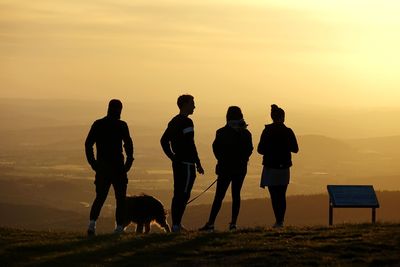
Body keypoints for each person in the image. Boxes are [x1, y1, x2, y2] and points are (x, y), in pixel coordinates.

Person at [199, 106, 253, 232]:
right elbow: (249, 150)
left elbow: (216, 149)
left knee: (219, 196)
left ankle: (211, 223)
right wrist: (242, 160)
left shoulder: (221, 132)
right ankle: (233, 224)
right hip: (240, 169)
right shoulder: (246, 133)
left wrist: (223, 160)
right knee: (236, 194)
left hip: (225, 168)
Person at [85, 99, 134, 236]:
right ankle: (119, 228)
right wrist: (128, 162)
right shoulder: (122, 125)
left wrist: (93, 163)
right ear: (120, 110)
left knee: (100, 197)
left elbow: (88, 144)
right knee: (120, 199)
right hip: (118, 167)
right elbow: (128, 145)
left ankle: (92, 224)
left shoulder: (98, 124)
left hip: (103, 167)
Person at [160, 94, 204, 233]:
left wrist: (172, 157)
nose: (194, 106)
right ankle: (176, 225)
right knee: (184, 194)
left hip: (179, 163)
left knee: (178, 193)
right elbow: (191, 143)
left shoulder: (174, 121)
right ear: (185, 105)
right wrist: (197, 162)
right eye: (192, 103)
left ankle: (176, 224)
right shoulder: (187, 122)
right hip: (186, 164)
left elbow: (164, 140)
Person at [257, 104, 298, 228]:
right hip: (284, 167)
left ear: (272, 117)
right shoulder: (288, 131)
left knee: (274, 196)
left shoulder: (267, 131)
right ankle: (281, 220)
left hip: (270, 167)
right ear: (283, 117)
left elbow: (260, 150)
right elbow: (295, 149)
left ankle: (278, 221)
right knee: (282, 195)